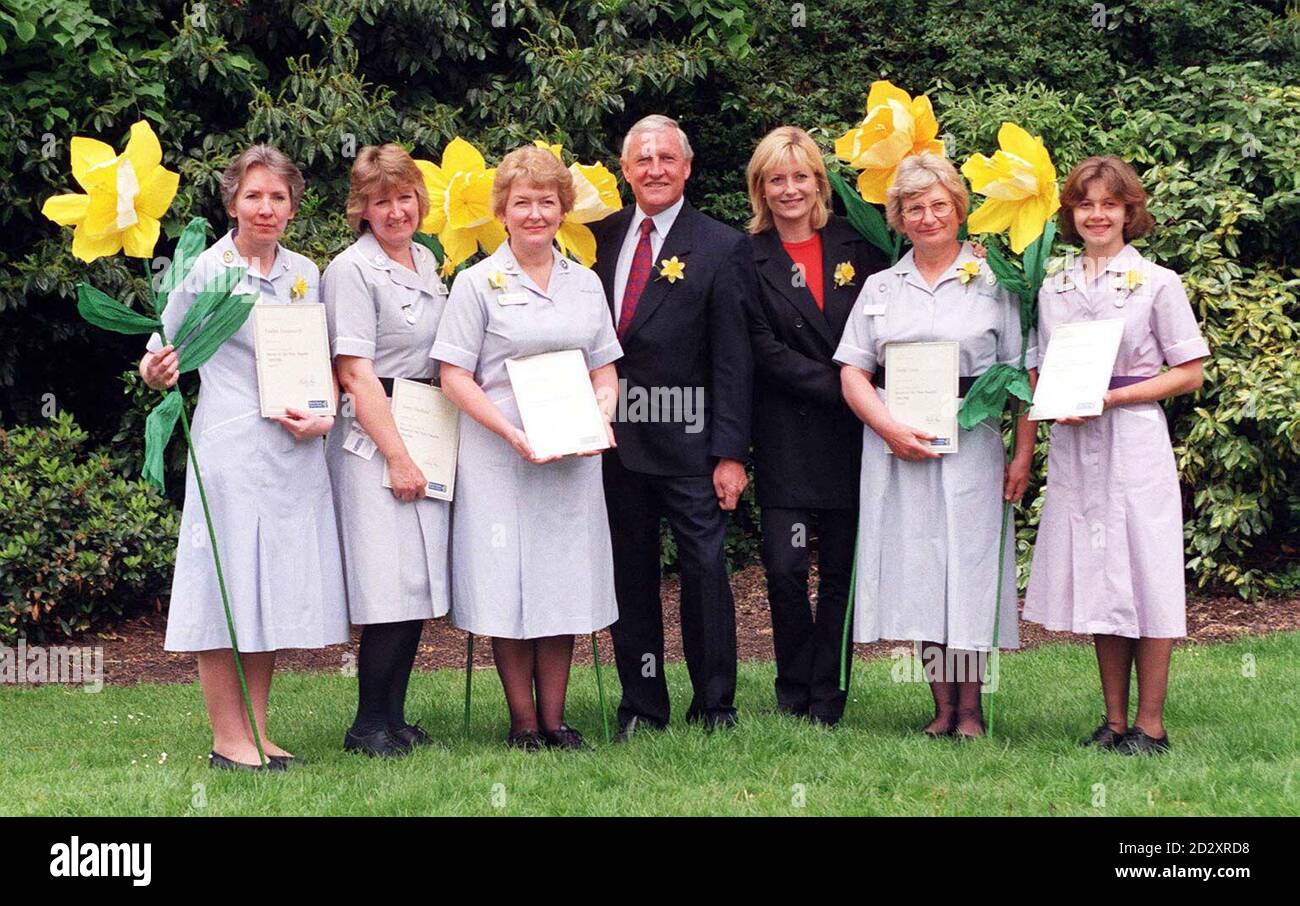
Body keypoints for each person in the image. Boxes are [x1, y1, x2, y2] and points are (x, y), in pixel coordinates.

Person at [139, 145, 348, 771]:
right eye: (253, 195)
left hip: (294, 453)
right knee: (223, 587)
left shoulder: (306, 272)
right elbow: (158, 356)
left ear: (292, 207)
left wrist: (325, 414)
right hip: (230, 452)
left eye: (278, 197)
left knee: (266, 591)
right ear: (232, 202)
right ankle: (227, 738)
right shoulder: (206, 271)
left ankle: (257, 733)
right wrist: (158, 368)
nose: (266, 207)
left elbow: (325, 362)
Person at [833, 152, 1035, 738]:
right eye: (913, 207)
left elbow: (1024, 372)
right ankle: (940, 708)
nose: (927, 217)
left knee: (967, 567)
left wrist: (1022, 454)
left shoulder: (995, 280)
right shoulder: (880, 286)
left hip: (972, 444)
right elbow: (853, 369)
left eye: (938, 205)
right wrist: (887, 427)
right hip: (896, 446)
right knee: (922, 566)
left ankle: (970, 710)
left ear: (960, 208)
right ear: (897, 217)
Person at [431, 145, 622, 751]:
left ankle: (557, 720)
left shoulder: (585, 283)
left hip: (571, 460)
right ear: (502, 211)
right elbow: (454, 376)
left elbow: (605, 368)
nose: (535, 214)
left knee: (561, 582)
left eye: (547, 202)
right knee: (508, 585)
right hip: (500, 457)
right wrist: (511, 432)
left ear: (564, 209)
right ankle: (522, 723)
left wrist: (602, 416)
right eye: (522, 203)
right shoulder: (476, 283)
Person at [1023, 156, 1208, 755]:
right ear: (1071, 215)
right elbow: (1037, 366)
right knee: (1101, 576)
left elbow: (1189, 373)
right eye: (1085, 204)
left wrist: (1113, 396)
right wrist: (1055, 400)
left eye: (1109, 204)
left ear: (1130, 211)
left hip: (1132, 438)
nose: (1097, 215)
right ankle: (1114, 722)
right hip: (1077, 444)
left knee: (1146, 571)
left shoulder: (1157, 282)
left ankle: (1150, 725)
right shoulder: (1053, 286)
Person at [588, 114, 754, 738]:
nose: (654, 169)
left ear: (686, 168)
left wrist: (731, 452)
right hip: (614, 443)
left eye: (666, 158)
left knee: (706, 574)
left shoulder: (721, 244)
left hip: (691, 443)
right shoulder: (593, 239)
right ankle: (641, 705)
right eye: (642, 159)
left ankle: (715, 704)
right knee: (630, 578)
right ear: (625, 170)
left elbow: (734, 359)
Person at [741, 126, 888, 726]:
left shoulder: (861, 246)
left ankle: (828, 695)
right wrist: (846, 386)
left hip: (853, 439)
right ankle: (792, 683)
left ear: (819, 184)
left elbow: (888, 327)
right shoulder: (744, 256)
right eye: (776, 178)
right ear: (761, 188)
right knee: (785, 568)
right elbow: (758, 345)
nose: (789, 188)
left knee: (841, 577)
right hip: (786, 436)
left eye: (800, 176)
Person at [323, 144, 452, 757]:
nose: (396, 211)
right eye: (381, 201)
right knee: (386, 584)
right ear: (362, 210)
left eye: (405, 197)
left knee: (415, 583)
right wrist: (398, 455)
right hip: (375, 437)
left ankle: (394, 717)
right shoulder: (350, 270)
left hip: (429, 424)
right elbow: (354, 372)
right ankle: (367, 723)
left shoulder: (427, 260)